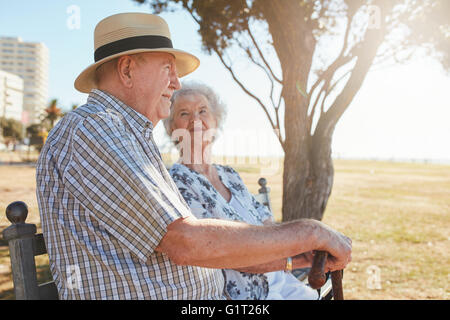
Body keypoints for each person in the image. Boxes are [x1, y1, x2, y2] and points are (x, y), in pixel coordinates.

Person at [36, 13, 352, 300]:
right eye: (168, 69)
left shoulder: (125, 135)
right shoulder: (95, 128)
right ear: (127, 69)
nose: (176, 83)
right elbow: (184, 241)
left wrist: (294, 256)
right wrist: (311, 232)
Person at [164, 82, 321, 299]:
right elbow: (228, 252)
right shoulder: (178, 181)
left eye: (203, 111)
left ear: (216, 121)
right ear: (172, 128)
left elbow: (266, 223)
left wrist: (302, 249)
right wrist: (296, 259)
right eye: (184, 113)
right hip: (247, 295)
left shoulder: (229, 175)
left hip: (279, 280)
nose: (195, 120)